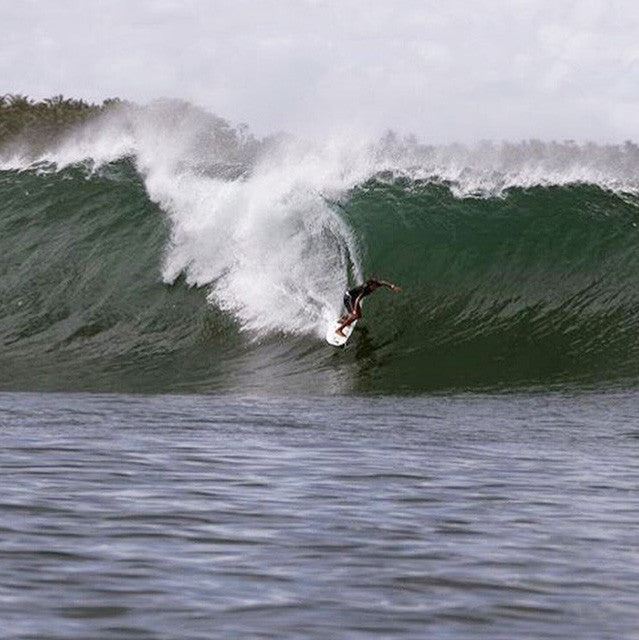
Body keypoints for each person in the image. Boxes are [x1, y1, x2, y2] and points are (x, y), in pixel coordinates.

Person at [336, 277, 401, 337]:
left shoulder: (377, 284)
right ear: (370, 285)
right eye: (373, 286)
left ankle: (344, 320)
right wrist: (355, 310)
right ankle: (339, 330)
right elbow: (357, 299)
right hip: (349, 298)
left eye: (376, 286)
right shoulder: (365, 289)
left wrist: (393, 287)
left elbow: (383, 283)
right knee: (354, 315)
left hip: (353, 298)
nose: (375, 288)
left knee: (358, 316)